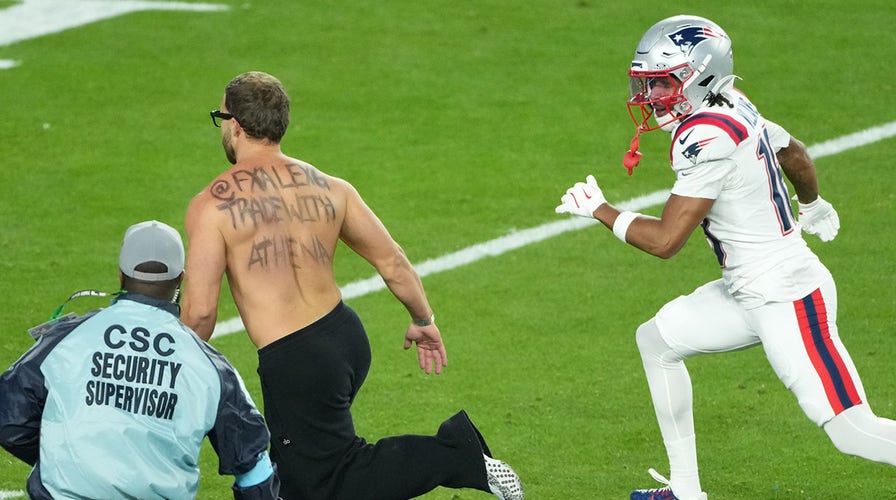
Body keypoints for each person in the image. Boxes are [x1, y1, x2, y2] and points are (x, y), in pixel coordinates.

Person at [555, 14, 896, 500]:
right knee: (656, 341)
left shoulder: (704, 139)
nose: (649, 98)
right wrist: (812, 202)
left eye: (662, 84)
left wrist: (601, 210)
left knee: (852, 432)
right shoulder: (733, 101)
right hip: (749, 290)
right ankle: (686, 492)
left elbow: (666, 241)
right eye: (647, 85)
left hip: (788, 297)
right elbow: (792, 152)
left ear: (699, 76)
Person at [180, 71, 523, 500]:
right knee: (293, 476)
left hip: (297, 362)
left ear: (235, 124)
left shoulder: (212, 205)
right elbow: (393, 261)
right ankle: (455, 455)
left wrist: (168, 368)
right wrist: (423, 319)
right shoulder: (331, 187)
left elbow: (199, 315)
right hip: (344, 337)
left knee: (324, 478)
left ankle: (458, 455)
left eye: (221, 116)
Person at [0, 220, 280, 499]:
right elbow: (254, 466)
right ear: (180, 279)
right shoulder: (211, 367)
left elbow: (9, 419)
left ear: (121, 275)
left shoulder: (66, 339)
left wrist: (63, 458)